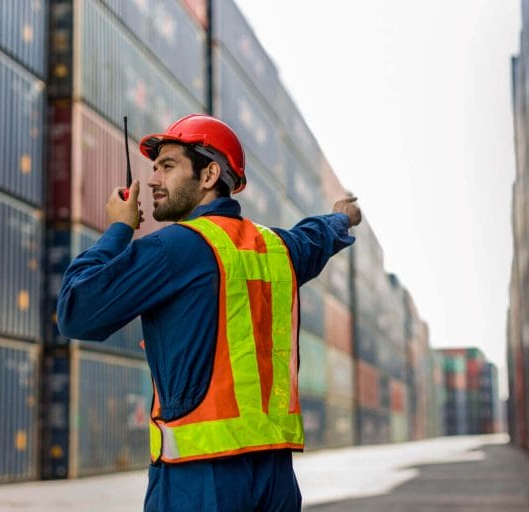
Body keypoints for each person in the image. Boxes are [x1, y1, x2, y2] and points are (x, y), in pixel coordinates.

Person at [57, 114, 362, 511]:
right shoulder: (280, 248)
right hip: (275, 481)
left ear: (209, 175)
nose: (152, 181)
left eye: (167, 166)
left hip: (200, 480)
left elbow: (76, 311)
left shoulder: (175, 248)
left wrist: (118, 229)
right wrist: (342, 217)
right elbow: (315, 236)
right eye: (154, 168)